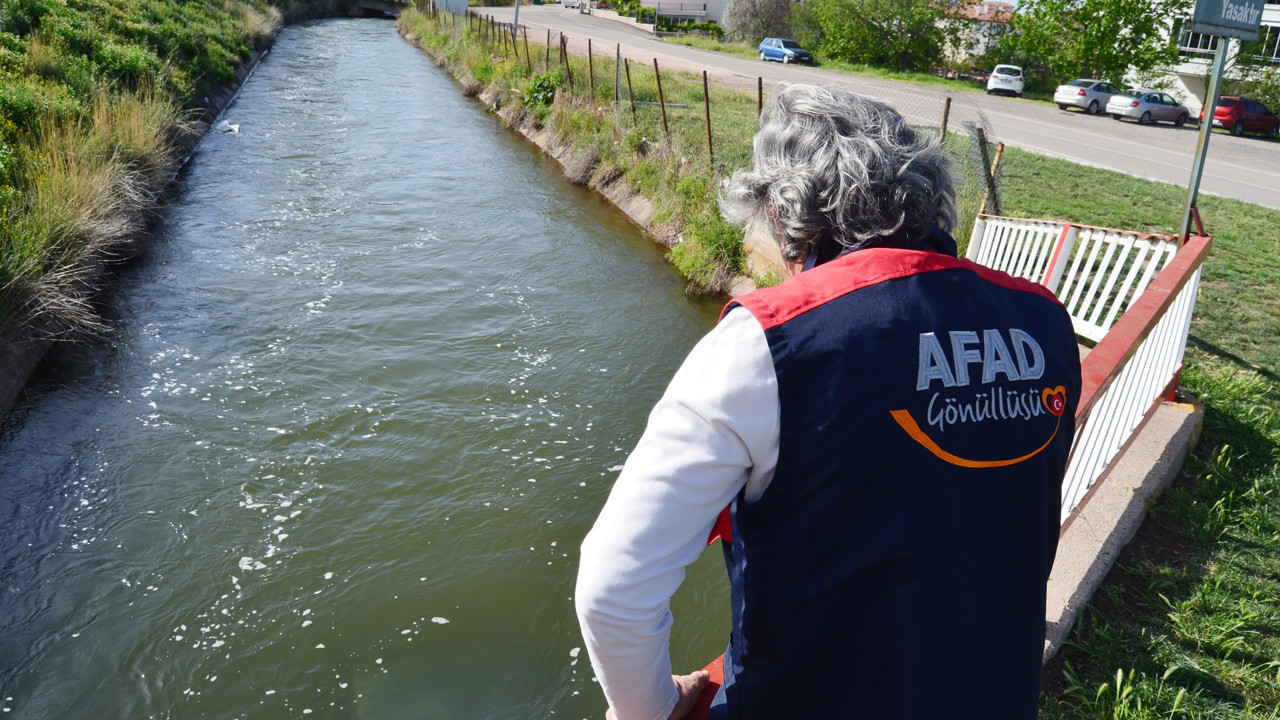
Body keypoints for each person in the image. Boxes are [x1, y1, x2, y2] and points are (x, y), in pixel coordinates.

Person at [575, 83, 1081, 720]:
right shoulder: (1043, 320)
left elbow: (615, 589)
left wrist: (649, 710)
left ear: (789, 218)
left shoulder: (768, 342)